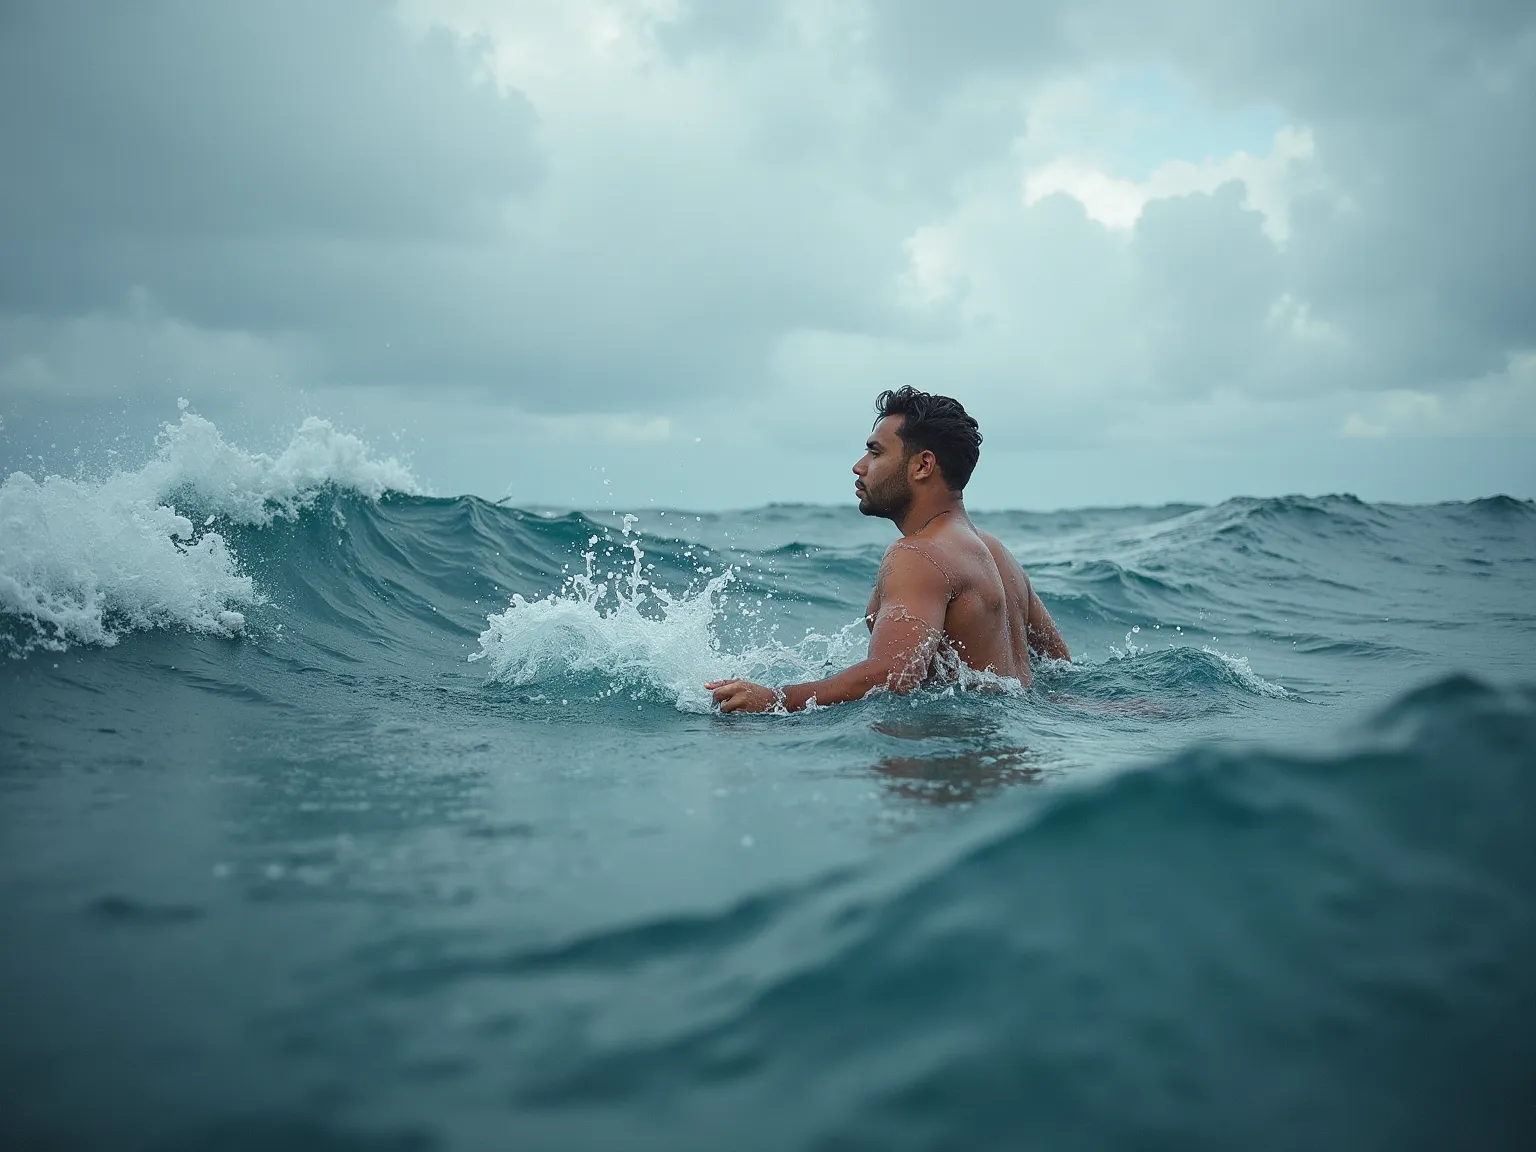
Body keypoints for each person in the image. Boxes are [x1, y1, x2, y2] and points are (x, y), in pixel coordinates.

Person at [707, 387, 1070, 713]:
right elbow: (1058, 666)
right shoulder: (996, 553)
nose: (859, 466)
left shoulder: (918, 554)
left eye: (875, 452)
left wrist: (773, 700)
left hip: (951, 755)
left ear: (923, 465)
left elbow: (893, 674)